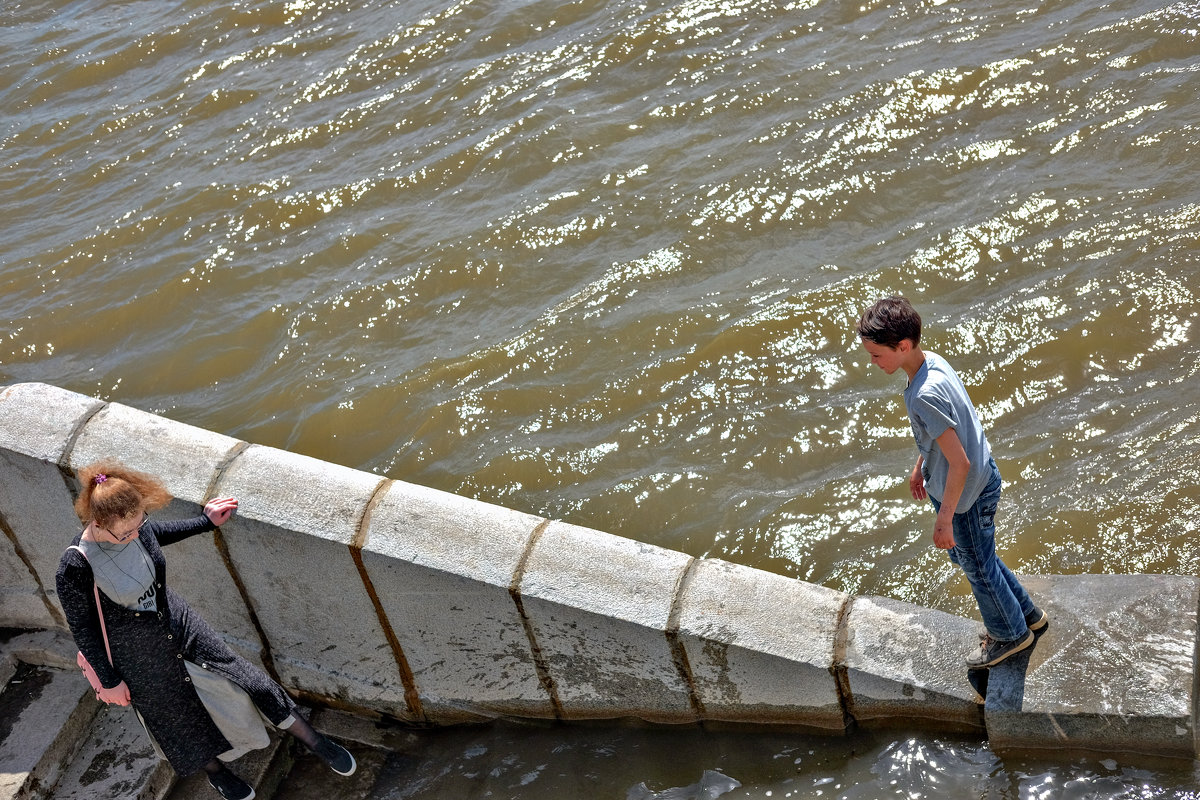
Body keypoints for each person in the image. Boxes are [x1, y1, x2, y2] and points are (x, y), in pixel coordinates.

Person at [56, 462, 357, 800]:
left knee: (248, 680)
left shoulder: (135, 528)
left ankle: (314, 740)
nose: (135, 535)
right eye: (124, 534)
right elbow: (82, 627)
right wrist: (110, 680)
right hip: (138, 657)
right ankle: (216, 773)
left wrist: (206, 522)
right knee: (177, 721)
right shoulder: (76, 566)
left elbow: (157, 535)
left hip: (177, 623)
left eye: (140, 523)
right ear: (97, 522)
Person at [856, 297, 1046, 668]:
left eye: (877, 355)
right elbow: (944, 434)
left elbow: (958, 463)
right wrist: (920, 466)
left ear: (903, 346)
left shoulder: (922, 396)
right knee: (979, 558)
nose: (872, 362)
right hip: (983, 476)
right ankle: (1027, 614)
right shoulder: (933, 365)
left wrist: (944, 520)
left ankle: (1010, 635)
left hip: (966, 496)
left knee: (977, 567)